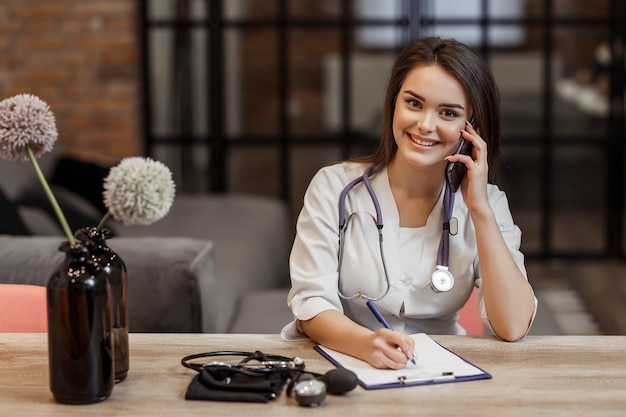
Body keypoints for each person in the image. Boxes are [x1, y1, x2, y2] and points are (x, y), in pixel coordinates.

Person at [281, 37, 537, 370]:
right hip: (349, 363)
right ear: (394, 104)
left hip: (446, 370)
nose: (425, 125)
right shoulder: (334, 188)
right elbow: (311, 302)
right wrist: (366, 344)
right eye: (414, 103)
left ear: (471, 128)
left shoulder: (486, 204)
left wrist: (480, 212)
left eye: (448, 113)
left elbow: (513, 326)